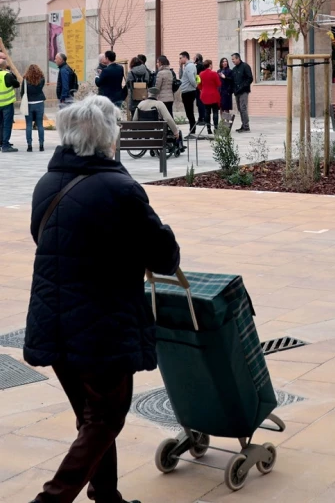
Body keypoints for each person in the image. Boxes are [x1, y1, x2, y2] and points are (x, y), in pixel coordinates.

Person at [24, 96, 180, 503]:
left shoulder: (47, 182)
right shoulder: (119, 188)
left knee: (91, 418)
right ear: (109, 136)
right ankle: (50, 499)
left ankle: (106, 495)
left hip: (52, 319)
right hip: (99, 327)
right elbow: (163, 258)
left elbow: (44, 238)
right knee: (106, 416)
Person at [21, 63, 46, 152]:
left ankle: (29, 145)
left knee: (28, 125)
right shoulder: (42, 79)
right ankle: (41, 145)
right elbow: (41, 88)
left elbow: (22, 92)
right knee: (40, 124)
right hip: (39, 102)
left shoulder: (25, 80)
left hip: (29, 103)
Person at [0, 51, 20, 153]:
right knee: (7, 125)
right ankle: (5, 145)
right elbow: (16, 84)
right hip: (7, 104)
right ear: (5, 66)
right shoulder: (7, 75)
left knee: (0, 124)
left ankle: (1, 142)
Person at [230, 52, 253, 133]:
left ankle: (246, 126)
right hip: (237, 92)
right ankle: (243, 125)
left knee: (243, 108)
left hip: (244, 91)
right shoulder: (234, 69)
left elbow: (250, 78)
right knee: (240, 109)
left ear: (238, 58)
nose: (232, 61)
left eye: (233, 59)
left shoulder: (245, 66)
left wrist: (242, 87)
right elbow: (232, 80)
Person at [197, 59, 221, 133]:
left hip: (205, 95)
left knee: (207, 112)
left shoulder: (200, 74)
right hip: (213, 95)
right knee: (215, 112)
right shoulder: (214, 73)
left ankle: (208, 129)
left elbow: (199, 85)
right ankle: (216, 128)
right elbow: (219, 84)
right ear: (210, 65)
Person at [179, 51, 198, 133]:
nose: (179, 60)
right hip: (186, 91)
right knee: (188, 112)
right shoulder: (186, 66)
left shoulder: (189, 66)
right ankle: (192, 129)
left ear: (185, 57)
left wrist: (195, 86)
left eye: (180, 58)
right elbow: (181, 77)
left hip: (189, 92)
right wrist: (180, 66)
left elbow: (192, 79)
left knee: (189, 112)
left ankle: (193, 130)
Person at [194, 53, 207, 126]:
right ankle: (201, 118)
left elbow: (198, 77)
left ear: (197, 59)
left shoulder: (199, 66)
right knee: (199, 103)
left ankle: (202, 118)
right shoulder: (202, 66)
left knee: (200, 103)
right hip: (201, 87)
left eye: (195, 58)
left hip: (200, 87)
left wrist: (198, 85)